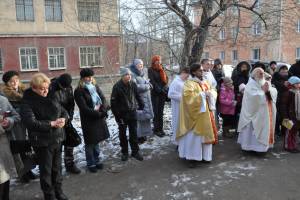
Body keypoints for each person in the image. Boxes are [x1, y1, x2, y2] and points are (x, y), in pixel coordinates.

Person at [20, 73, 69, 200]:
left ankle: (59, 191)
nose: (46, 90)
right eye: (42, 89)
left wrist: (64, 119)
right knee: (46, 171)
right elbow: (30, 123)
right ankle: (49, 195)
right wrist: (51, 123)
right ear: (33, 88)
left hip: (57, 138)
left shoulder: (51, 95)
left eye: (47, 87)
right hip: (42, 142)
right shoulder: (27, 101)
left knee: (57, 168)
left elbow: (63, 110)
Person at [176, 63, 218, 168]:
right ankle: (192, 158)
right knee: (194, 137)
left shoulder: (205, 82)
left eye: (203, 70)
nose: (202, 72)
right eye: (200, 70)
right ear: (194, 72)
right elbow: (187, 98)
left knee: (205, 135)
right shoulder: (189, 83)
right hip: (194, 116)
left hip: (206, 114)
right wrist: (203, 95)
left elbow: (213, 90)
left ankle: (206, 156)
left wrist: (211, 94)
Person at [1, 70, 36, 183]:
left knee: (27, 148)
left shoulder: (23, 91)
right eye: (11, 81)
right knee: (19, 148)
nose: (14, 82)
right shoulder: (5, 95)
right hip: (16, 126)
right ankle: (22, 173)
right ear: (7, 83)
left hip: (27, 123)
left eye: (16, 80)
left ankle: (29, 170)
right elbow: (8, 112)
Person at [74, 68, 110, 173]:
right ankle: (90, 163)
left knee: (97, 140)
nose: (90, 79)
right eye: (87, 77)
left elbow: (103, 99)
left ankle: (97, 160)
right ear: (82, 78)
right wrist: (98, 114)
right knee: (90, 142)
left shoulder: (95, 86)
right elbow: (84, 108)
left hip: (99, 118)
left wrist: (103, 110)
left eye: (91, 77)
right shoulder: (79, 91)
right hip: (89, 119)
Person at [237, 68, 277, 153]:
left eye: (262, 73)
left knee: (263, 129)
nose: (262, 75)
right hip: (252, 113)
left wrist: (268, 91)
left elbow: (273, 92)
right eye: (259, 73)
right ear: (254, 74)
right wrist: (264, 92)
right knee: (251, 130)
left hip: (264, 113)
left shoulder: (264, 82)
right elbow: (253, 97)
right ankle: (249, 147)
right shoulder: (250, 85)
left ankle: (261, 148)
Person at [48, 73, 81, 174]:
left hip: (66, 119)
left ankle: (70, 164)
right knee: (57, 144)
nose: (65, 88)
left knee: (69, 141)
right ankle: (55, 168)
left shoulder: (68, 87)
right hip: (55, 120)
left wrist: (68, 117)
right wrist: (59, 119)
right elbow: (51, 105)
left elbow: (71, 103)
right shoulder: (51, 87)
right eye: (63, 86)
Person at [111, 67, 144, 162]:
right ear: (122, 76)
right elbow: (113, 103)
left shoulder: (133, 84)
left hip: (132, 112)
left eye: (129, 74)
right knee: (122, 134)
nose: (128, 76)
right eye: (126, 75)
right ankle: (124, 152)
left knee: (133, 132)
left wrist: (141, 104)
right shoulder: (117, 87)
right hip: (122, 115)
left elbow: (137, 95)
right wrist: (117, 116)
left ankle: (135, 151)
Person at [129, 59, 154, 144]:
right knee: (139, 119)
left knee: (145, 118)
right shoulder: (132, 74)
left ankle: (144, 135)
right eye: (139, 64)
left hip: (146, 98)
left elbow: (146, 83)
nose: (141, 66)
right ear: (135, 65)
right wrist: (147, 86)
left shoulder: (143, 74)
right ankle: (138, 137)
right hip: (138, 99)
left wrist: (149, 84)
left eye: (142, 64)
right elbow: (135, 87)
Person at [0, 95, 20, 200]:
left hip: (4, 148)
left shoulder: (2, 100)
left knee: (5, 178)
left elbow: (16, 116)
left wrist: (8, 121)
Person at [167, 67, 190, 144]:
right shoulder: (175, 82)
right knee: (177, 123)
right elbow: (170, 94)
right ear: (183, 72)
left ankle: (183, 141)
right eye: (187, 75)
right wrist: (183, 97)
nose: (187, 77)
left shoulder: (184, 81)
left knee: (183, 124)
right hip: (177, 106)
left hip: (184, 107)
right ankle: (177, 141)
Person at [148, 55, 168, 137]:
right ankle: (156, 129)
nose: (159, 62)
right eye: (157, 60)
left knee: (161, 112)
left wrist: (164, 88)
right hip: (155, 94)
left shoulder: (162, 69)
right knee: (156, 112)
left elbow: (166, 79)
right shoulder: (151, 70)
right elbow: (152, 82)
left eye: (159, 60)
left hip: (162, 94)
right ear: (154, 61)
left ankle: (161, 128)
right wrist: (159, 90)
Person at [280, 76, 300, 153]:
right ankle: (288, 146)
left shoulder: (298, 92)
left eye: (299, 83)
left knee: (295, 131)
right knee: (289, 131)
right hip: (289, 116)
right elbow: (283, 105)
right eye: (296, 83)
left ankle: (294, 145)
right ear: (291, 84)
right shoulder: (288, 93)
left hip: (296, 116)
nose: (298, 85)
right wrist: (285, 116)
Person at [272, 65, 289, 136]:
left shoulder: (290, 78)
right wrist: (283, 85)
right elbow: (274, 86)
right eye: (282, 72)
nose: (284, 73)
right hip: (277, 100)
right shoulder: (275, 78)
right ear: (278, 72)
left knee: (286, 116)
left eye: (286, 72)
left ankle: (284, 131)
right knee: (277, 117)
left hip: (287, 101)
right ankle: (276, 131)